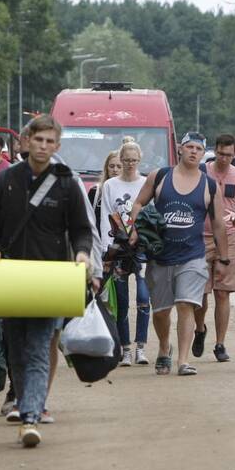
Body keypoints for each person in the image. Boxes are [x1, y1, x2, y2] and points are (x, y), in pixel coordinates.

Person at [0, 115, 96, 447]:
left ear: (57, 146)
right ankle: (25, 404)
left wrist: (82, 254)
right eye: (39, 140)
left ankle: (30, 417)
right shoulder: (7, 181)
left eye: (50, 141)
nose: (43, 146)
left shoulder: (65, 183)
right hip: (11, 277)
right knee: (14, 349)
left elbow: (81, 229)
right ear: (27, 141)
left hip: (51, 278)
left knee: (39, 346)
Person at [129, 132, 229, 376]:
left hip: (193, 256)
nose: (194, 151)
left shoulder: (209, 185)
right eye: (190, 147)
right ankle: (164, 348)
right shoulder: (160, 176)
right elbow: (139, 203)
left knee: (186, 305)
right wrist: (135, 226)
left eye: (198, 148)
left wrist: (223, 258)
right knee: (161, 311)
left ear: (203, 153)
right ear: (180, 149)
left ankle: (183, 361)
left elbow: (218, 223)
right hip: (160, 256)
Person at [193, 134, 235, 362]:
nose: (225, 158)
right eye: (221, 153)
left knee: (222, 293)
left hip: (229, 240)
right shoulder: (201, 173)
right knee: (200, 292)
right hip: (200, 238)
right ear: (214, 151)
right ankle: (200, 329)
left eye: (229, 155)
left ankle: (220, 343)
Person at [98, 137, 149, 367]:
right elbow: (105, 218)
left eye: (134, 160)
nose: (130, 164)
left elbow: (150, 216)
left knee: (143, 297)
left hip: (141, 249)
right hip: (118, 249)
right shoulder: (110, 186)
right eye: (126, 159)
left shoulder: (146, 183)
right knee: (120, 299)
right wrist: (106, 250)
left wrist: (140, 235)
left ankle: (141, 346)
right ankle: (125, 347)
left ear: (140, 160)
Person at [88, 150, 122, 236]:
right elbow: (87, 219)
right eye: (111, 166)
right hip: (99, 242)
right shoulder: (95, 191)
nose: (115, 170)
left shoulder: (129, 193)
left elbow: (131, 220)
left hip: (122, 243)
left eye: (119, 166)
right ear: (106, 168)